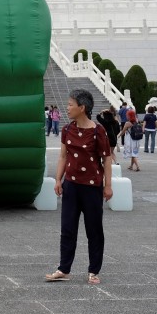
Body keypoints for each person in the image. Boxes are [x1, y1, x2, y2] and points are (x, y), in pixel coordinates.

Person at [45, 89, 113, 285]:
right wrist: (58, 179)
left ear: (82, 108)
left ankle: (94, 270)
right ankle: (63, 269)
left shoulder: (98, 131)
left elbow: (106, 159)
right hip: (71, 186)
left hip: (92, 187)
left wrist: (108, 186)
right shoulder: (67, 130)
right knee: (67, 228)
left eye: (70, 105)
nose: (67, 108)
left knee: (94, 230)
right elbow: (63, 156)